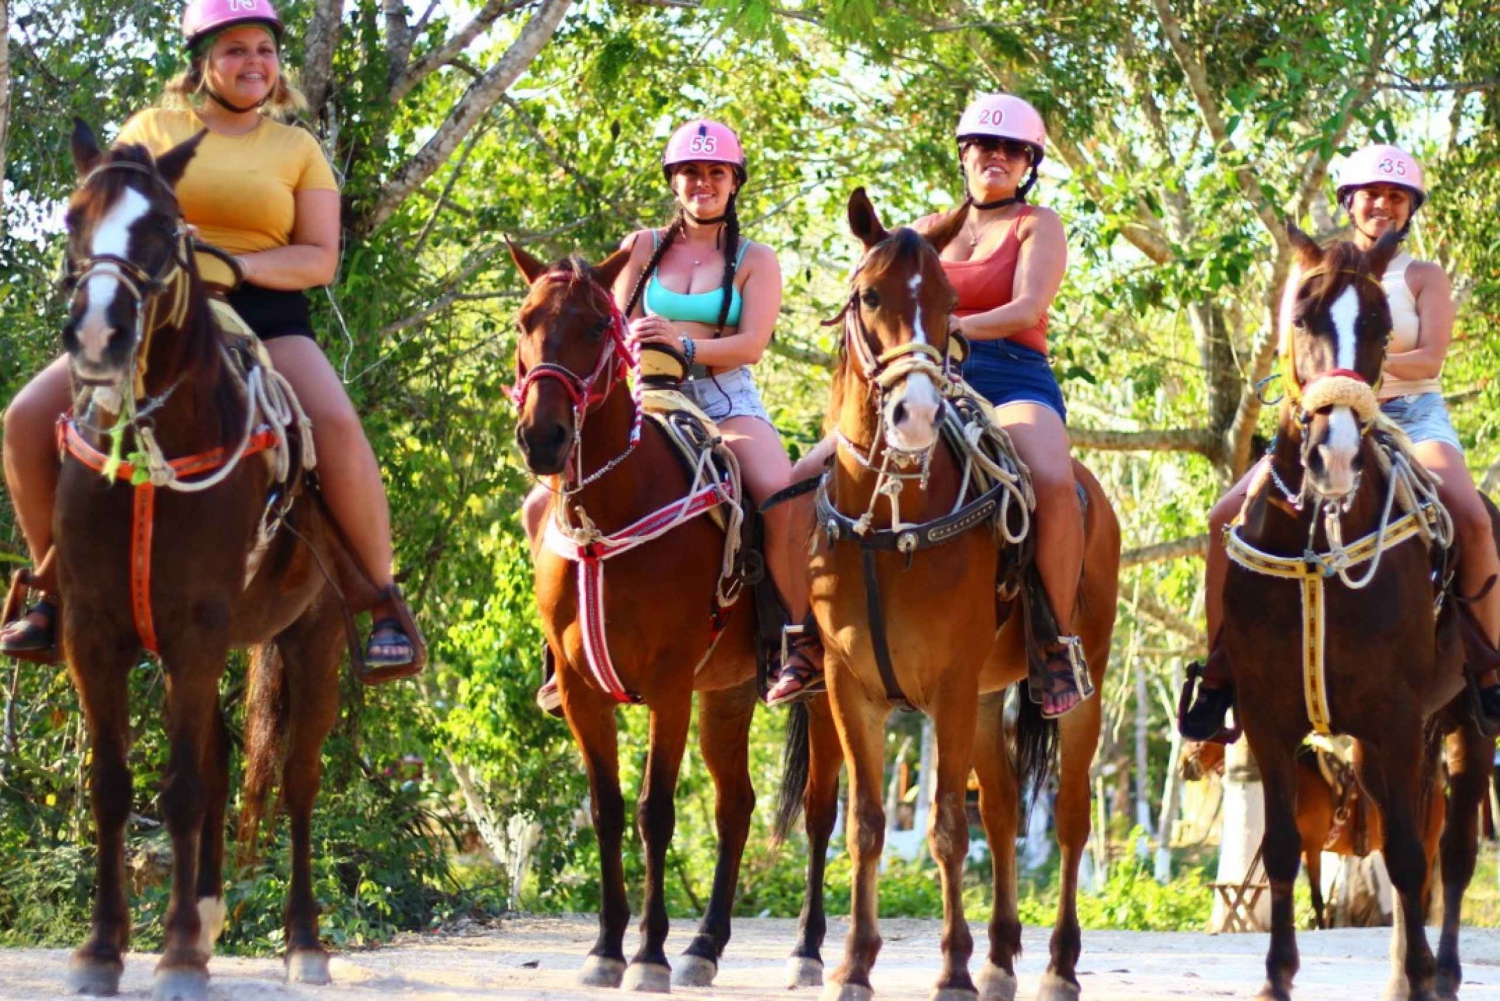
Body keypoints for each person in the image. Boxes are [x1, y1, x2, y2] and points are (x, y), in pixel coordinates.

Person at [0, 0, 419, 669]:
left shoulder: (296, 148)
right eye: (234, 50)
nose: (253, 63)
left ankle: (381, 602)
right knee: (23, 417)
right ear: (201, 62)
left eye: (264, 49)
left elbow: (319, 258)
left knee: (336, 426)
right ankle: (53, 590)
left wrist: (236, 263)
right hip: (154, 317)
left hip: (263, 315)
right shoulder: (152, 128)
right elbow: (111, 212)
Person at [1179, 143, 1500, 740]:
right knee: (1224, 516)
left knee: (1473, 518)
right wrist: (1334, 386)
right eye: (1371, 194)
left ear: (1410, 209)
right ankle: (1221, 667)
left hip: (1411, 412)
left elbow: (1430, 356)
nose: (1382, 204)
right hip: (1321, 414)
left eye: (1396, 196)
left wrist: (1354, 370)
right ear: (1349, 201)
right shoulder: (1311, 273)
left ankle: (1486, 669)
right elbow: (1290, 352)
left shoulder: (1423, 276)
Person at [523, 119, 822, 711]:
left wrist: (686, 348)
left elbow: (751, 345)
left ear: (734, 182)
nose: (702, 183)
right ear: (673, 181)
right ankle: (559, 650)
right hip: (647, 393)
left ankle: (793, 640)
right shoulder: (640, 247)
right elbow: (612, 326)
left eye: (715, 173)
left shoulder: (755, 258)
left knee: (776, 492)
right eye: (690, 172)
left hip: (726, 395)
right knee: (538, 504)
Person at [913, 93, 1089, 718]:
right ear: (963, 154)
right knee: (814, 476)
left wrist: (952, 326)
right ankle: (804, 635)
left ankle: (1055, 642)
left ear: (1028, 163)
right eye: (985, 146)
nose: (997, 156)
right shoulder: (927, 229)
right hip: (928, 375)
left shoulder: (1036, 223)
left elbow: (1026, 308)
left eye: (1013, 149)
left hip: (1012, 374)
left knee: (1051, 481)